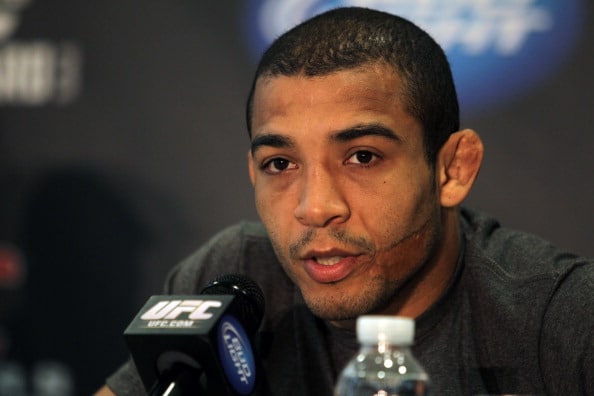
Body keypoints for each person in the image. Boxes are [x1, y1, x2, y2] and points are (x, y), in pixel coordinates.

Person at [96, 7, 593, 395]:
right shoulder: (233, 283)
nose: (314, 208)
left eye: (361, 156)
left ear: (452, 169)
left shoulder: (560, 317)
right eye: (280, 165)